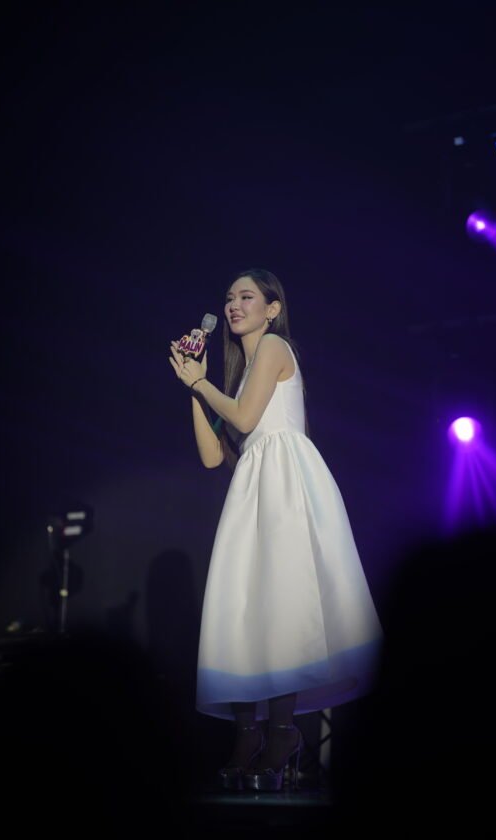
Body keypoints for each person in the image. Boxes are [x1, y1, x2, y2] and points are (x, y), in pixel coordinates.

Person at [169, 268, 382, 792]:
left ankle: (282, 731)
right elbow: (211, 454)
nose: (234, 304)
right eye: (229, 297)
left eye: (247, 296)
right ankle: (249, 734)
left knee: (281, 601)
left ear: (272, 309)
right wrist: (194, 386)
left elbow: (244, 420)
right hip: (253, 485)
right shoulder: (241, 373)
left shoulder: (274, 347)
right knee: (245, 604)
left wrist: (201, 385)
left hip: (284, 481)